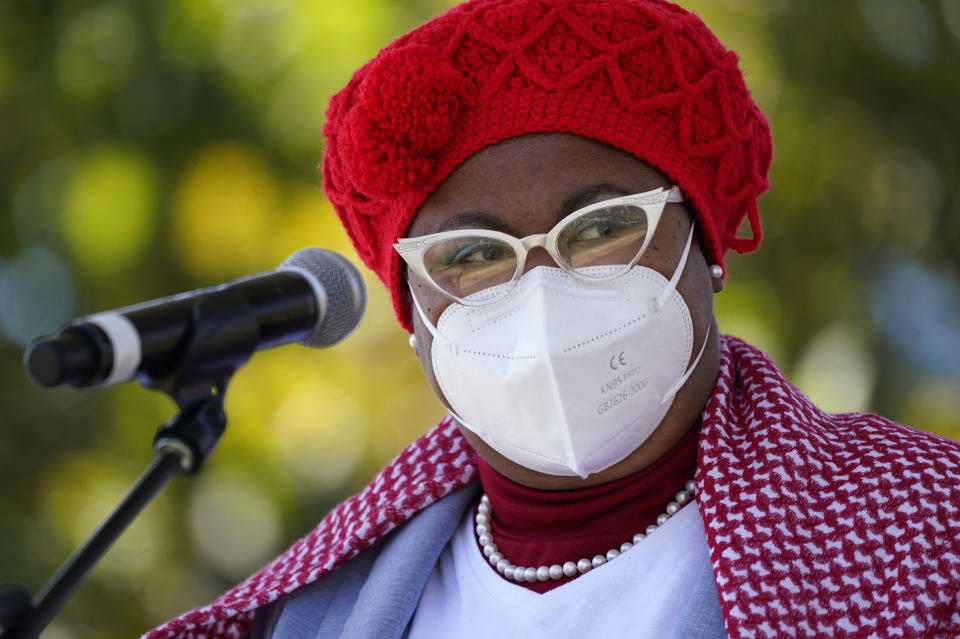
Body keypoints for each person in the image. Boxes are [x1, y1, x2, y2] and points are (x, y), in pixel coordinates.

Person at [147, 0, 960, 637]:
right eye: (471, 256)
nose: (539, 292)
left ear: (706, 246)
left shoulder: (926, 537)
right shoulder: (311, 616)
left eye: (602, 229)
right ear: (414, 315)